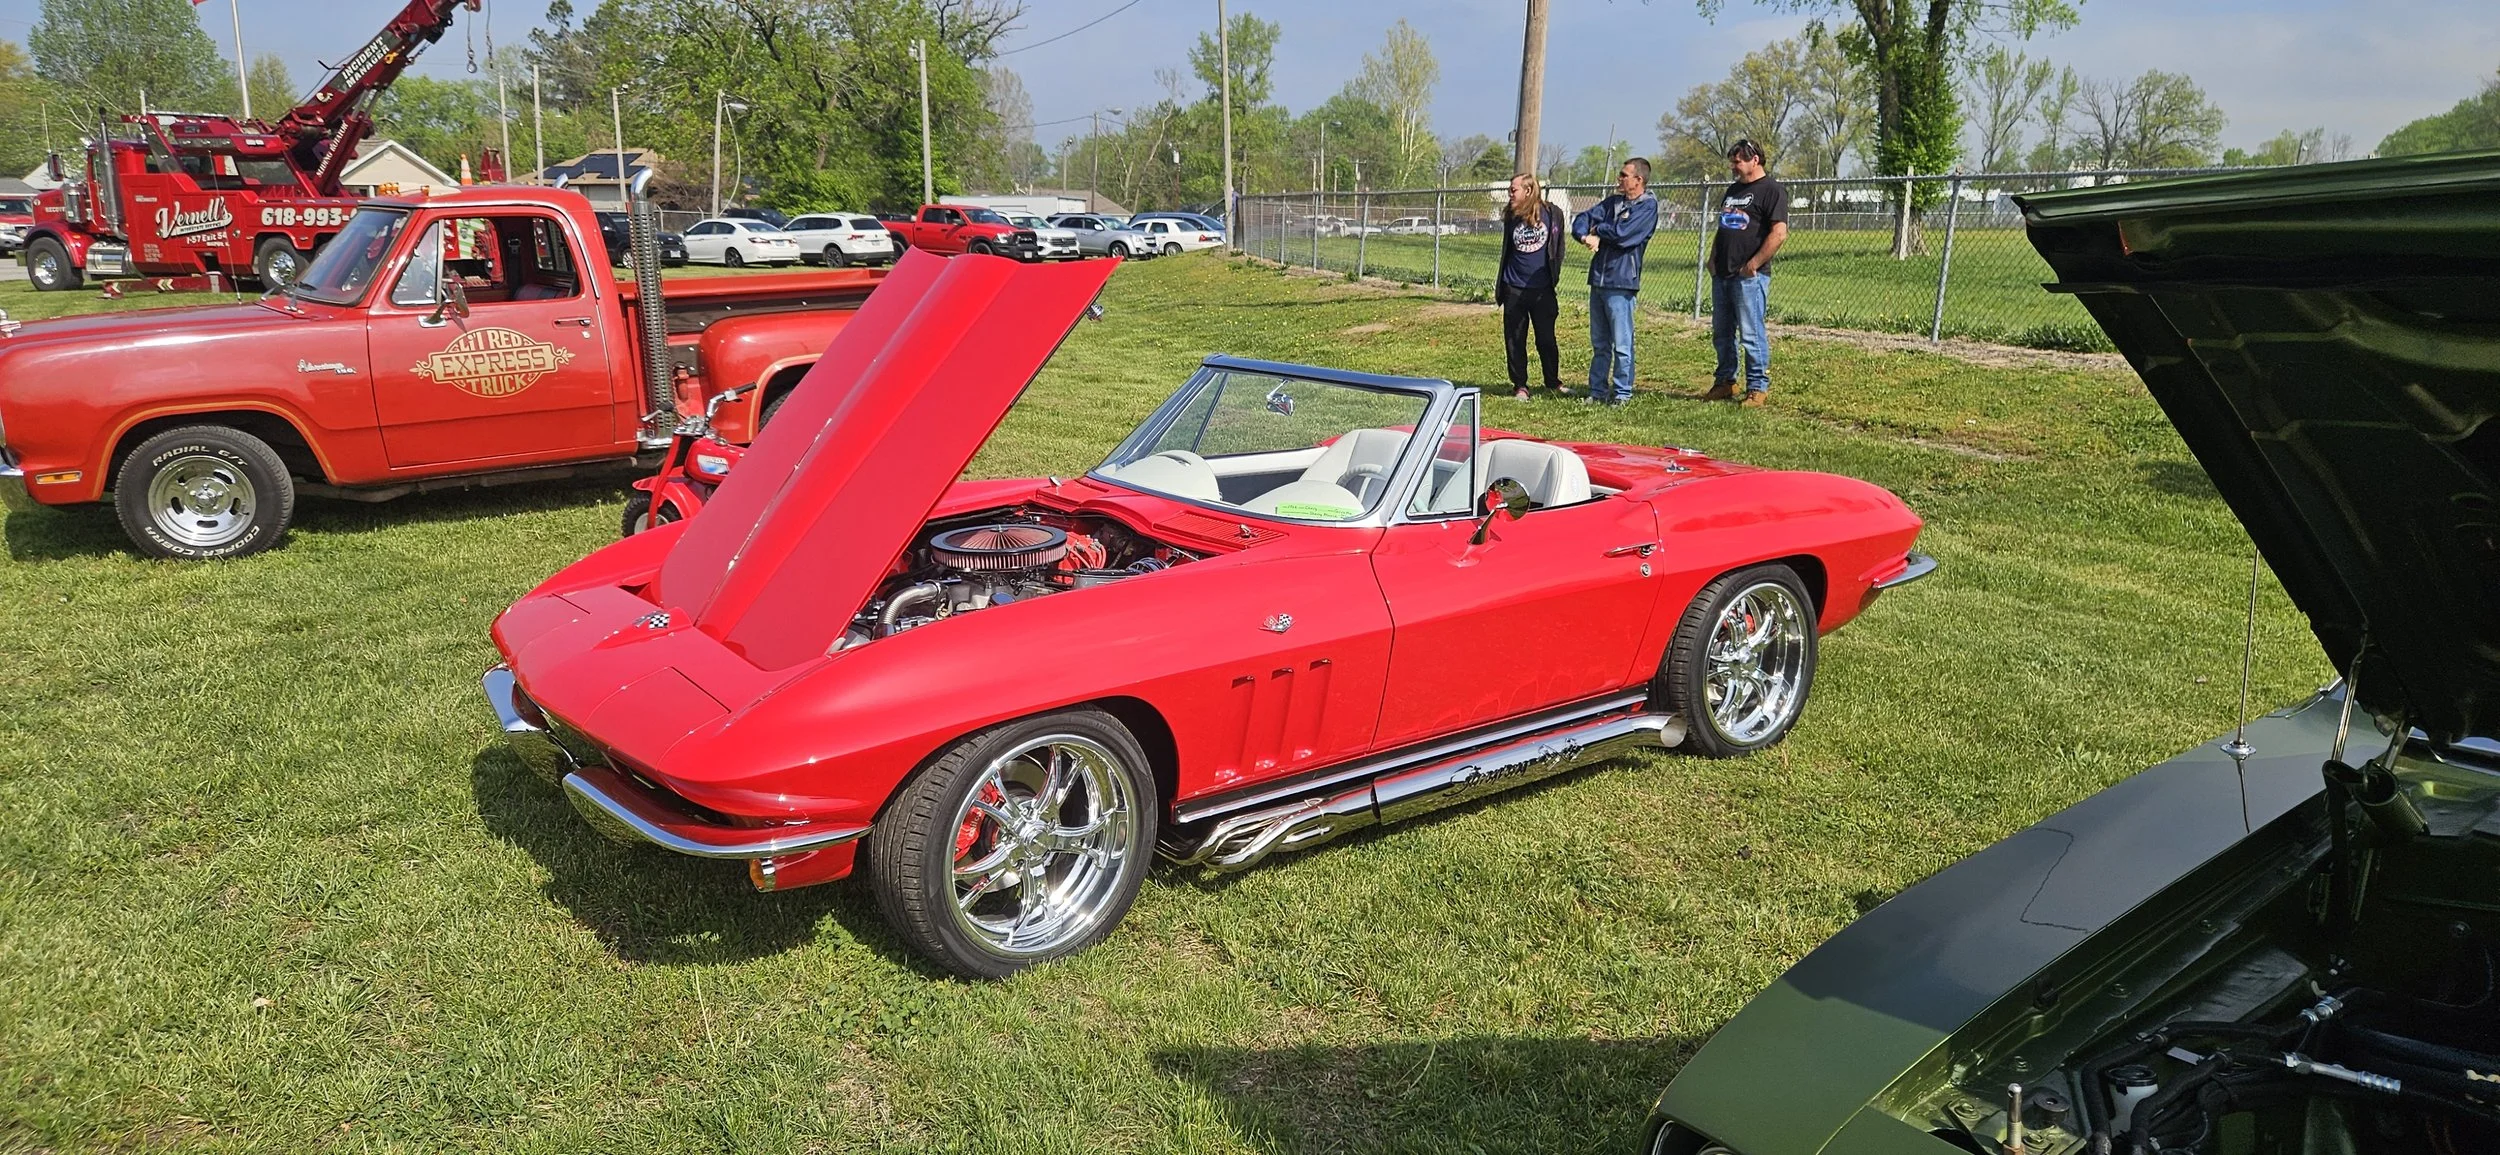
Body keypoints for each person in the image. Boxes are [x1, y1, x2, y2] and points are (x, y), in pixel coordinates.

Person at [1702, 139, 1789, 408]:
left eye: (1738, 161)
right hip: (1724, 273)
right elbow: (1724, 225)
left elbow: (1779, 233)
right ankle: (1726, 381)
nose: (1733, 166)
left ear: (1755, 160)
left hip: (1750, 276)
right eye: (1732, 161)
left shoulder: (1771, 190)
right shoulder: (1733, 190)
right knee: (1722, 332)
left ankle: (1757, 387)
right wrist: (1714, 258)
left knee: (1751, 333)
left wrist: (1753, 264)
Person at [1571, 157, 1658, 405]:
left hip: (1621, 282)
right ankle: (1597, 392)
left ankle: (1622, 393)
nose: (1619, 179)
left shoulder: (1647, 206)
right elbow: (1582, 219)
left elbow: (1624, 235)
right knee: (1600, 343)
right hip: (1598, 279)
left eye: (1623, 175)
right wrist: (1583, 236)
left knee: (1622, 343)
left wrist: (1598, 230)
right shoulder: (1613, 203)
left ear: (1638, 179)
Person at [1496, 173, 1567, 400]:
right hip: (1514, 287)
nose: (1510, 193)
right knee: (1515, 339)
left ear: (1528, 191)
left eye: (1513, 189)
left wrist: (1553, 275)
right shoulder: (1512, 216)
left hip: (1542, 289)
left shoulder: (1552, 214)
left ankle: (1552, 382)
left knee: (1546, 339)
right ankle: (1520, 386)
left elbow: (1558, 248)